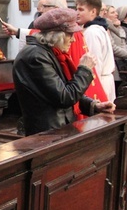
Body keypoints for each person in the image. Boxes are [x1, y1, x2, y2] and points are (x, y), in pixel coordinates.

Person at [12, 8, 114, 136]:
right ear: (56, 35)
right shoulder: (36, 57)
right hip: (47, 132)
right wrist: (84, 69)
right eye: (70, 35)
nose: (72, 40)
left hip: (59, 127)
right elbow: (64, 97)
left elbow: (62, 90)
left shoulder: (51, 53)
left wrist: (93, 105)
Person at [76, 0, 116, 101]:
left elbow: (94, 62)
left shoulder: (92, 32)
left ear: (93, 12)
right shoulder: (98, 28)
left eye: (81, 10)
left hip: (98, 82)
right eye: (76, 9)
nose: (77, 13)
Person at [103, 5, 127, 80]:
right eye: (112, 12)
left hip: (124, 63)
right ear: (105, 15)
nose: (116, 14)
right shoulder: (107, 28)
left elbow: (124, 43)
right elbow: (112, 47)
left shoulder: (118, 27)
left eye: (115, 12)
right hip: (115, 64)